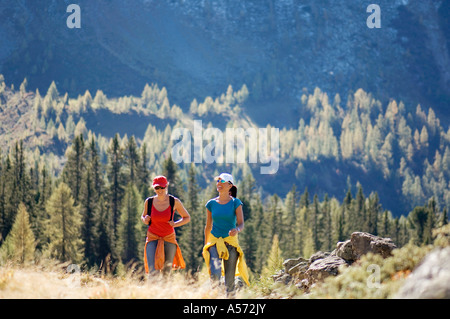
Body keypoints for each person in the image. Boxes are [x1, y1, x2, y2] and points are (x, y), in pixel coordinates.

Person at [202, 173, 249, 295]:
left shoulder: (236, 203)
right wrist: (205, 246)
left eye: (222, 181)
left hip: (231, 242)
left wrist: (237, 230)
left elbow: (241, 224)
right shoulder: (211, 204)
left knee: (229, 281)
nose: (219, 183)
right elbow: (207, 226)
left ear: (230, 185)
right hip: (214, 242)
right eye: (217, 180)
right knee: (215, 274)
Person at [141, 175, 190, 276]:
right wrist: (145, 220)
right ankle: (153, 291)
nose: (160, 190)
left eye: (162, 187)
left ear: (166, 187)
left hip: (169, 238)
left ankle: (164, 291)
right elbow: (143, 216)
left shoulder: (174, 201)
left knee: (166, 272)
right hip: (152, 237)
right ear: (154, 188)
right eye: (157, 188)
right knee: (152, 271)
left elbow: (187, 217)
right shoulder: (149, 202)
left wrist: (175, 224)